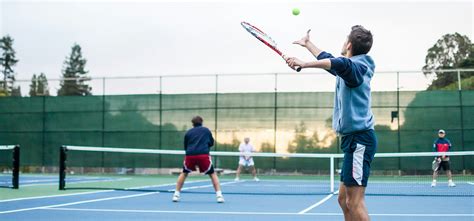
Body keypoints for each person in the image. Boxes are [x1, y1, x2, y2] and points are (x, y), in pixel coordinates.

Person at [285, 25, 377, 221]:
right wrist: (308, 45)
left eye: (345, 40)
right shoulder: (349, 68)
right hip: (351, 141)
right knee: (343, 200)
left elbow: (339, 63)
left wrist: (304, 63)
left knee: (355, 202)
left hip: (360, 140)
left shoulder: (357, 68)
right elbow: (332, 61)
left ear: (349, 44)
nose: (343, 43)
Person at [172, 116, 224, 203]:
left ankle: (176, 195)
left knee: (184, 173)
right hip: (203, 155)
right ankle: (219, 196)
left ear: (192, 123)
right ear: (202, 122)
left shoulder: (188, 133)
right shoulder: (206, 130)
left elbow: (186, 146)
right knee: (212, 174)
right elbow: (211, 143)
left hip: (190, 155)